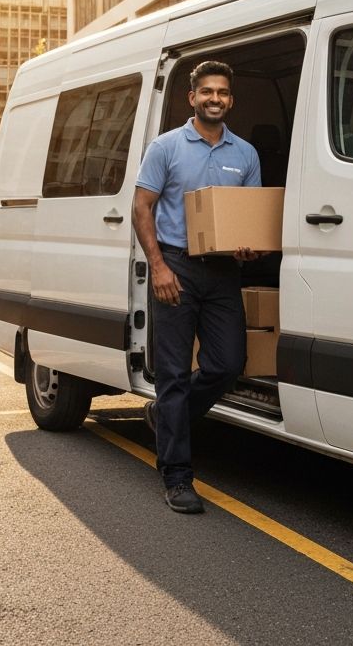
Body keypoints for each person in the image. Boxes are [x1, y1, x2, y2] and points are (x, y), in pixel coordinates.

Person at [132, 61, 261, 514]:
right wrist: (159, 267)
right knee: (171, 374)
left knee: (228, 365)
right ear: (192, 98)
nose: (215, 98)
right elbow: (142, 208)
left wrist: (250, 249)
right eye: (207, 91)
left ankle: (170, 420)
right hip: (176, 268)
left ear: (230, 100)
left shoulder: (245, 154)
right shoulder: (166, 147)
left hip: (223, 272)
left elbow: (249, 216)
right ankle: (176, 476)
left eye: (222, 92)